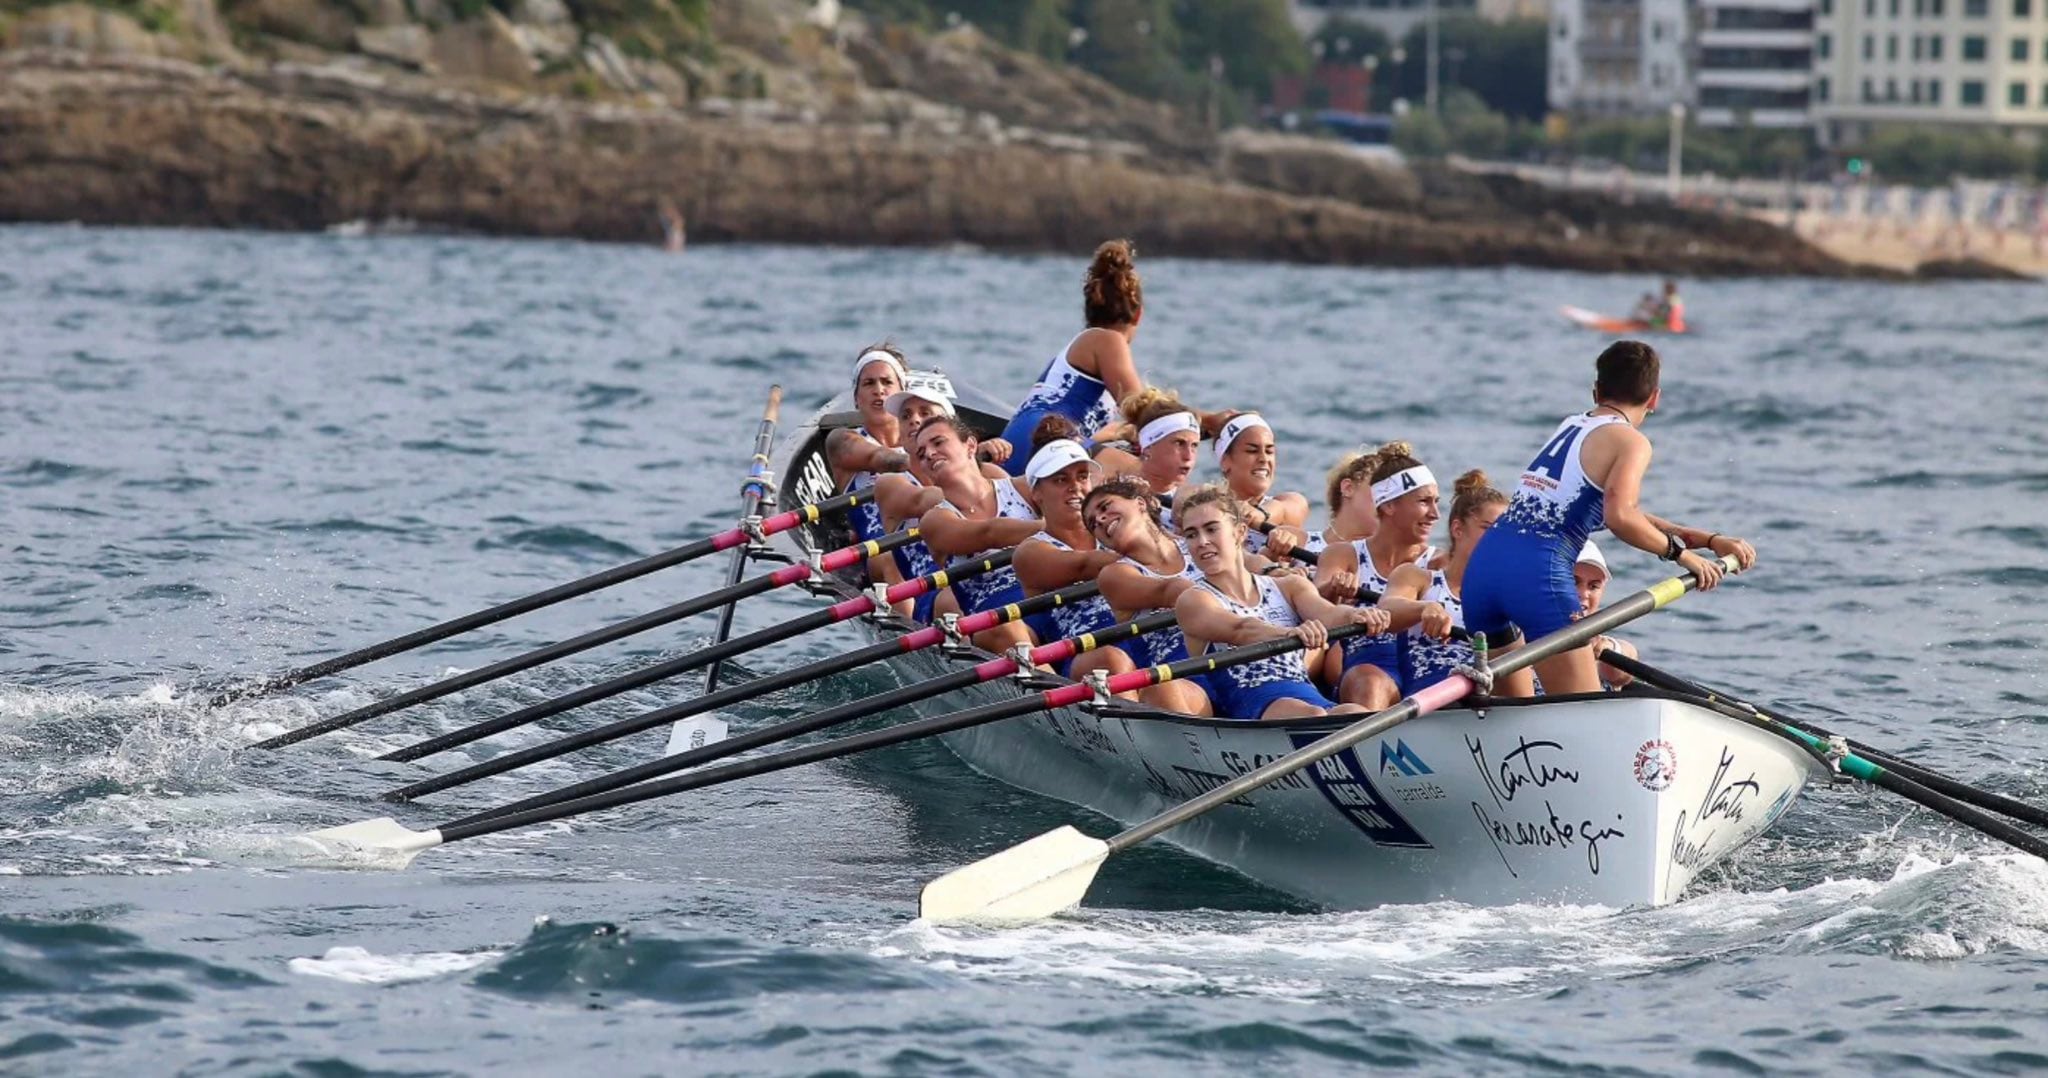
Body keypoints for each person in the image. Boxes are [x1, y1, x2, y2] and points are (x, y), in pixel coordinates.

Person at [1462, 340, 1756, 697]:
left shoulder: (1572, 425)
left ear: (1597, 390)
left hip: (1483, 572)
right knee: (1580, 712)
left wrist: (1710, 540)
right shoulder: (1631, 441)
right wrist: (1684, 557)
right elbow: (1621, 517)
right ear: (1655, 398)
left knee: (1513, 719)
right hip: (1536, 577)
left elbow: (1617, 511)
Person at [1174, 486, 1389, 721]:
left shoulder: (1288, 586)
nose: (1202, 541)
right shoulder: (1193, 600)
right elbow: (1242, 629)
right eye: (1191, 534)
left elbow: (1329, 614)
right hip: (1251, 702)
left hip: (1308, 695)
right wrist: (1289, 633)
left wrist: (1357, 616)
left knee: (1356, 713)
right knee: (1313, 715)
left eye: (1211, 529)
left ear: (1240, 532)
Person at [996, 240, 1150, 471]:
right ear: (1138, 315)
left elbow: (1083, 424)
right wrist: (1209, 420)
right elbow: (1146, 412)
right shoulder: (1107, 340)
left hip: (1021, 439)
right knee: (1153, 474)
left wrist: (1122, 431)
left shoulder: (1083, 346)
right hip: (1047, 438)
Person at [1313, 442, 1444, 709]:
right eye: (1424, 502)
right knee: (1371, 683)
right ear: (1388, 506)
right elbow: (1314, 605)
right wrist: (1332, 590)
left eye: (1436, 503)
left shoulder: (1440, 563)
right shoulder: (1343, 555)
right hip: (1369, 664)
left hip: (1429, 662)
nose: (1435, 514)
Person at [1380, 470, 1533, 695]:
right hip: (1440, 691)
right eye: (1488, 528)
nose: (1498, 539)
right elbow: (1387, 608)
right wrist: (1425, 608)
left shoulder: (1517, 593)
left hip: (1502, 694)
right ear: (1458, 529)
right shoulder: (1418, 578)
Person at [913, 415, 1042, 652]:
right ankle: (1053, 685)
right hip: (993, 622)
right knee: (1007, 629)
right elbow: (988, 533)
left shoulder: (1023, 488)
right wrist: (1050, 530)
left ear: (971, 445)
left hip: (1048, 600)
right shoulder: (936, 521)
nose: (929, 454)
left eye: (938, 443)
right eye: (921, 454)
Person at [1086, 476, 1211, 714]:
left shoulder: (1194, 542)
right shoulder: (1115, 575)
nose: (1100, 520)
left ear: (1141, 504)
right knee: (1163, 689)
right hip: (1186, 676)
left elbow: (1250, 565)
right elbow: (1173, 591)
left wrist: (1275, 571)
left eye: (1105, 507)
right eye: (1093, 524)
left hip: (1236, 651)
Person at [1012, 419, 1122, 674]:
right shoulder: (1031, 552)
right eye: (1061, 480)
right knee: (1112, 659)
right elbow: (1083, 564)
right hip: (1079, 658)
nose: (1075, 487)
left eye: (1082, 477)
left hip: (1133, 640)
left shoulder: (1114, 537)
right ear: (1036, 493)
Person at [827, 346, 912, 591]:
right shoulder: (842, 440)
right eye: (869, 384)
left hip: (928, 534)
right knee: (891, 557)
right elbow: (881, 459)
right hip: (881, 550)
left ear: (901, 393)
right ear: (856, 398)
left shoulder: (925, 441)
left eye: (887, 382)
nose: (879, 390)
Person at [1212, 412, 1310, 560]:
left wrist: (1260, 514)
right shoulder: (1207, 506)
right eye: (1252, 451)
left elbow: (1291, 506)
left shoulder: (1288, 502)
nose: (1264, 459)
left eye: (1269, 451)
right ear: (1225, 461)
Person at [1100, 387, 1203, 526]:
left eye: (1194, 446)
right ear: (1148, 447)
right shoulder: (1111, 492)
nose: (1188, 456)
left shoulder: (1196, 503)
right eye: (1179, 443)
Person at [1573, 540, 1638, 689]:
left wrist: (1607, 647)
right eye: (1573, 581)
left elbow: (1621, 671)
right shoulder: (1517, 633)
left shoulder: (1599, 643)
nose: (1584, 594)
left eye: (1593, 586)